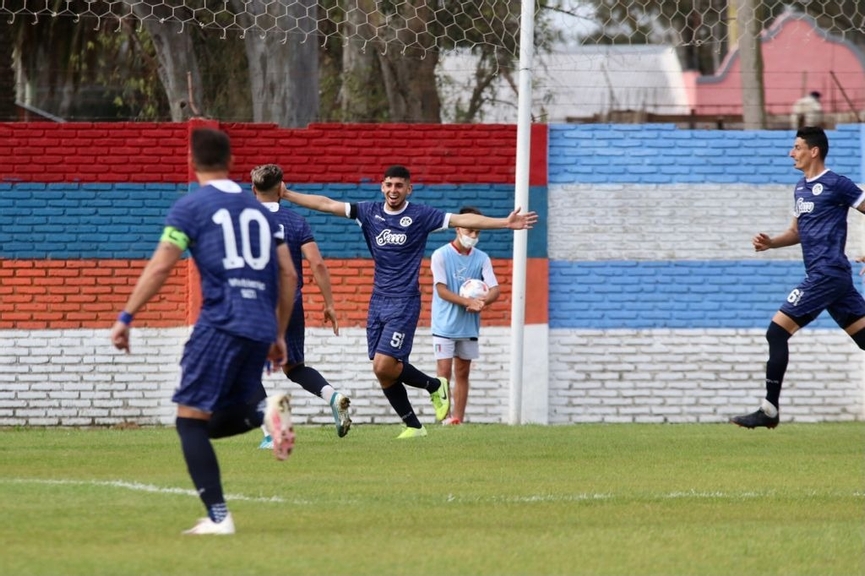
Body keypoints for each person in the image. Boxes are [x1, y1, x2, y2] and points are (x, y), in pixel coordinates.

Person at [110, 128, 299, 535]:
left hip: (221, 323)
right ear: (231, 163)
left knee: (189, 422)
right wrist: (278, 333)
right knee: (209, 422)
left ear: (192, 162)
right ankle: (261, 413)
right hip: (259, 326)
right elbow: (288, 274)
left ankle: (219, 518)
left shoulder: (191, 207)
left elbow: (162, 265)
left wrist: (126, 315)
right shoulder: (263, 214)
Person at [280, 165, 537, 438]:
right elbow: (327, 204)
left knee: (383, 364)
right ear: (382, 187)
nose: (393, 190)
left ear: (408, 189)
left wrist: (505, 223)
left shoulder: (421, 215)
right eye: (389, 185)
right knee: (384, 372)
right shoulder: (369, 212)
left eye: (399, 186)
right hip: (377, 301)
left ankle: (434, 386)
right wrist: (288, 194)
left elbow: (462, 221)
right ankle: (414, 426)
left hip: (405, 301)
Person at [731, 126, 865, 429]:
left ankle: (769, 410)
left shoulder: (837, 184)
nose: (792, 153)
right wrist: (771, 243)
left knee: (776, 333)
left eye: (797, 147)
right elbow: (796, 232)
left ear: (813, 151)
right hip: (834, 279)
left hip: (826, 274)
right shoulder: (800, 188)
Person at [250, 163, 351, 443]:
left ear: (253, 189)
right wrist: (329, 304)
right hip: (291, 302)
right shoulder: (296, 221)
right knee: (295, 367)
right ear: (282, 188)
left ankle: (272, 432)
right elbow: (317, 263)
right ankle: (333, 396)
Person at [430, 206, 500, 425]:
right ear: (458, 227)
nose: (473, 236)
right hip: (444, 325)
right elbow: (441, 290)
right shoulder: (440, 255)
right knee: (443, 372)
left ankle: (458, 419)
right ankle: (444, 417)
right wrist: (467, 301)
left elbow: (495, 289)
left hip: (468, 327)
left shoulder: (482, 258)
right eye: (470, 230)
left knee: (463, 372)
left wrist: (481, 302)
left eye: (478, 232)